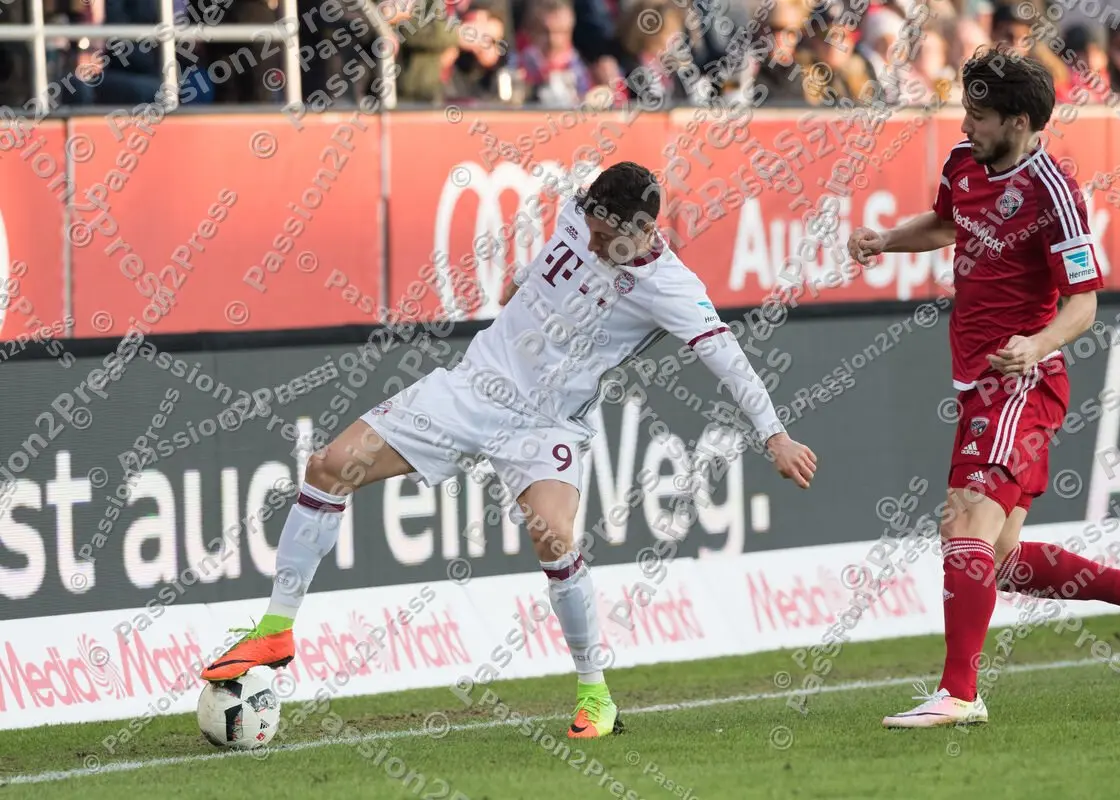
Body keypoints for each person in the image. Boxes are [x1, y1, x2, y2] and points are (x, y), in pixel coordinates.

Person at [201, 161, 820, 739]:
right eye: (593, 225)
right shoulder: (578, 216)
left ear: (641, 230)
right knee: (328, 466)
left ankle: (594, 695)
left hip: (547, 425)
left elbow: (727, 360)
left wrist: (775, 434)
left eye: (609, 236)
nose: (596, 241)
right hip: (474, 387)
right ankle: (277, 629)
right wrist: (521, 285)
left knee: (553, 537)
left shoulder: (670, 287)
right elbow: (553, 263)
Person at [846, 49, 1120, 729]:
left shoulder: (1053, 191)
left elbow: (1084, 302)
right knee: (997, 559)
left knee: (962, 521)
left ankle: (960, 693)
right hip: (978, 380)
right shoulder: (962, 162)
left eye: (978, 115)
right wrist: (885, 240)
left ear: (1020, 120)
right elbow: (948, 224)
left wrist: (1034, 345)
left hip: (1023, 380)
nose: (966, 124)